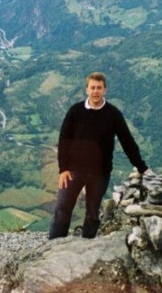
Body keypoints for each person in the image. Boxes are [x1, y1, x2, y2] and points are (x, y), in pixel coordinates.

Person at [49, 71, 149, 239]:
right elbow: (64, 140)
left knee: (92, 212)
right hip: (74, 171)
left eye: (99, 88)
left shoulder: (113, 114)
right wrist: (63, 169)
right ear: (87, 90)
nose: (95, 91)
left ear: (105, 90)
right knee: (62, 207)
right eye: (92, 88)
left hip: (100, 173)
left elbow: (127, 141)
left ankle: (87, 245)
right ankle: (54, 245)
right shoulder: (75, 111)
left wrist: (141, 166)